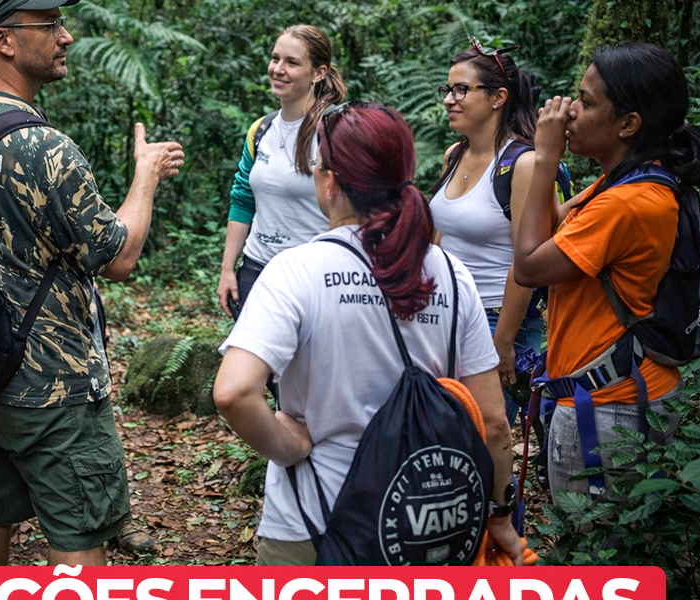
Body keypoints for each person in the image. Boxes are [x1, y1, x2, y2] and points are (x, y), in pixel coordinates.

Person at [213, 102, 521, 566]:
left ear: (330, 181)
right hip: (420, 522)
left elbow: (234, 392)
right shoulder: (451, 274)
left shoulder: (296, 271)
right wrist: (499, 514)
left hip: (312, 520)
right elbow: (494, 422)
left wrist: (289, 447)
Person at [0, 0, 183, 566]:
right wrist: (146, 175)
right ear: (3, 40)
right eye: (49, 24)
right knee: (78, 534)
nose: (66, 36)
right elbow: (118, 257)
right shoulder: (42, 146)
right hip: (53, 382)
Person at [514, 43, 700, 498]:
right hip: (614, 394)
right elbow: (554, 230)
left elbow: (529, 267)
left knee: (590, 539)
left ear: (628, 124)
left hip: (610, 407)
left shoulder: (627, 203)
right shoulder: (628, 179)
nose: (571, 111)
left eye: (586, 102)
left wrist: (545, 160)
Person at [428, 40, 550, 426]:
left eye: (461, 89)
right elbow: (441, 237)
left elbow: (525, 260)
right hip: (445, 313)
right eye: (448, 89)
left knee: (483, 434)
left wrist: (503, 343)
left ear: (498, 98)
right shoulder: (454, 155)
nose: (449, 99)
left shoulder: (523, 164)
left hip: (496, 320)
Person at [216, 25, 347, 320]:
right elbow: (243, 199)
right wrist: (227, 270)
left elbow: (356, 207)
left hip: (314, 273)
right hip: (257, 269)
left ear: (318, 73)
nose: (278, 69)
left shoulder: (334, 131)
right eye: (275, 58)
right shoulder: (261, 129)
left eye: (292, 62)